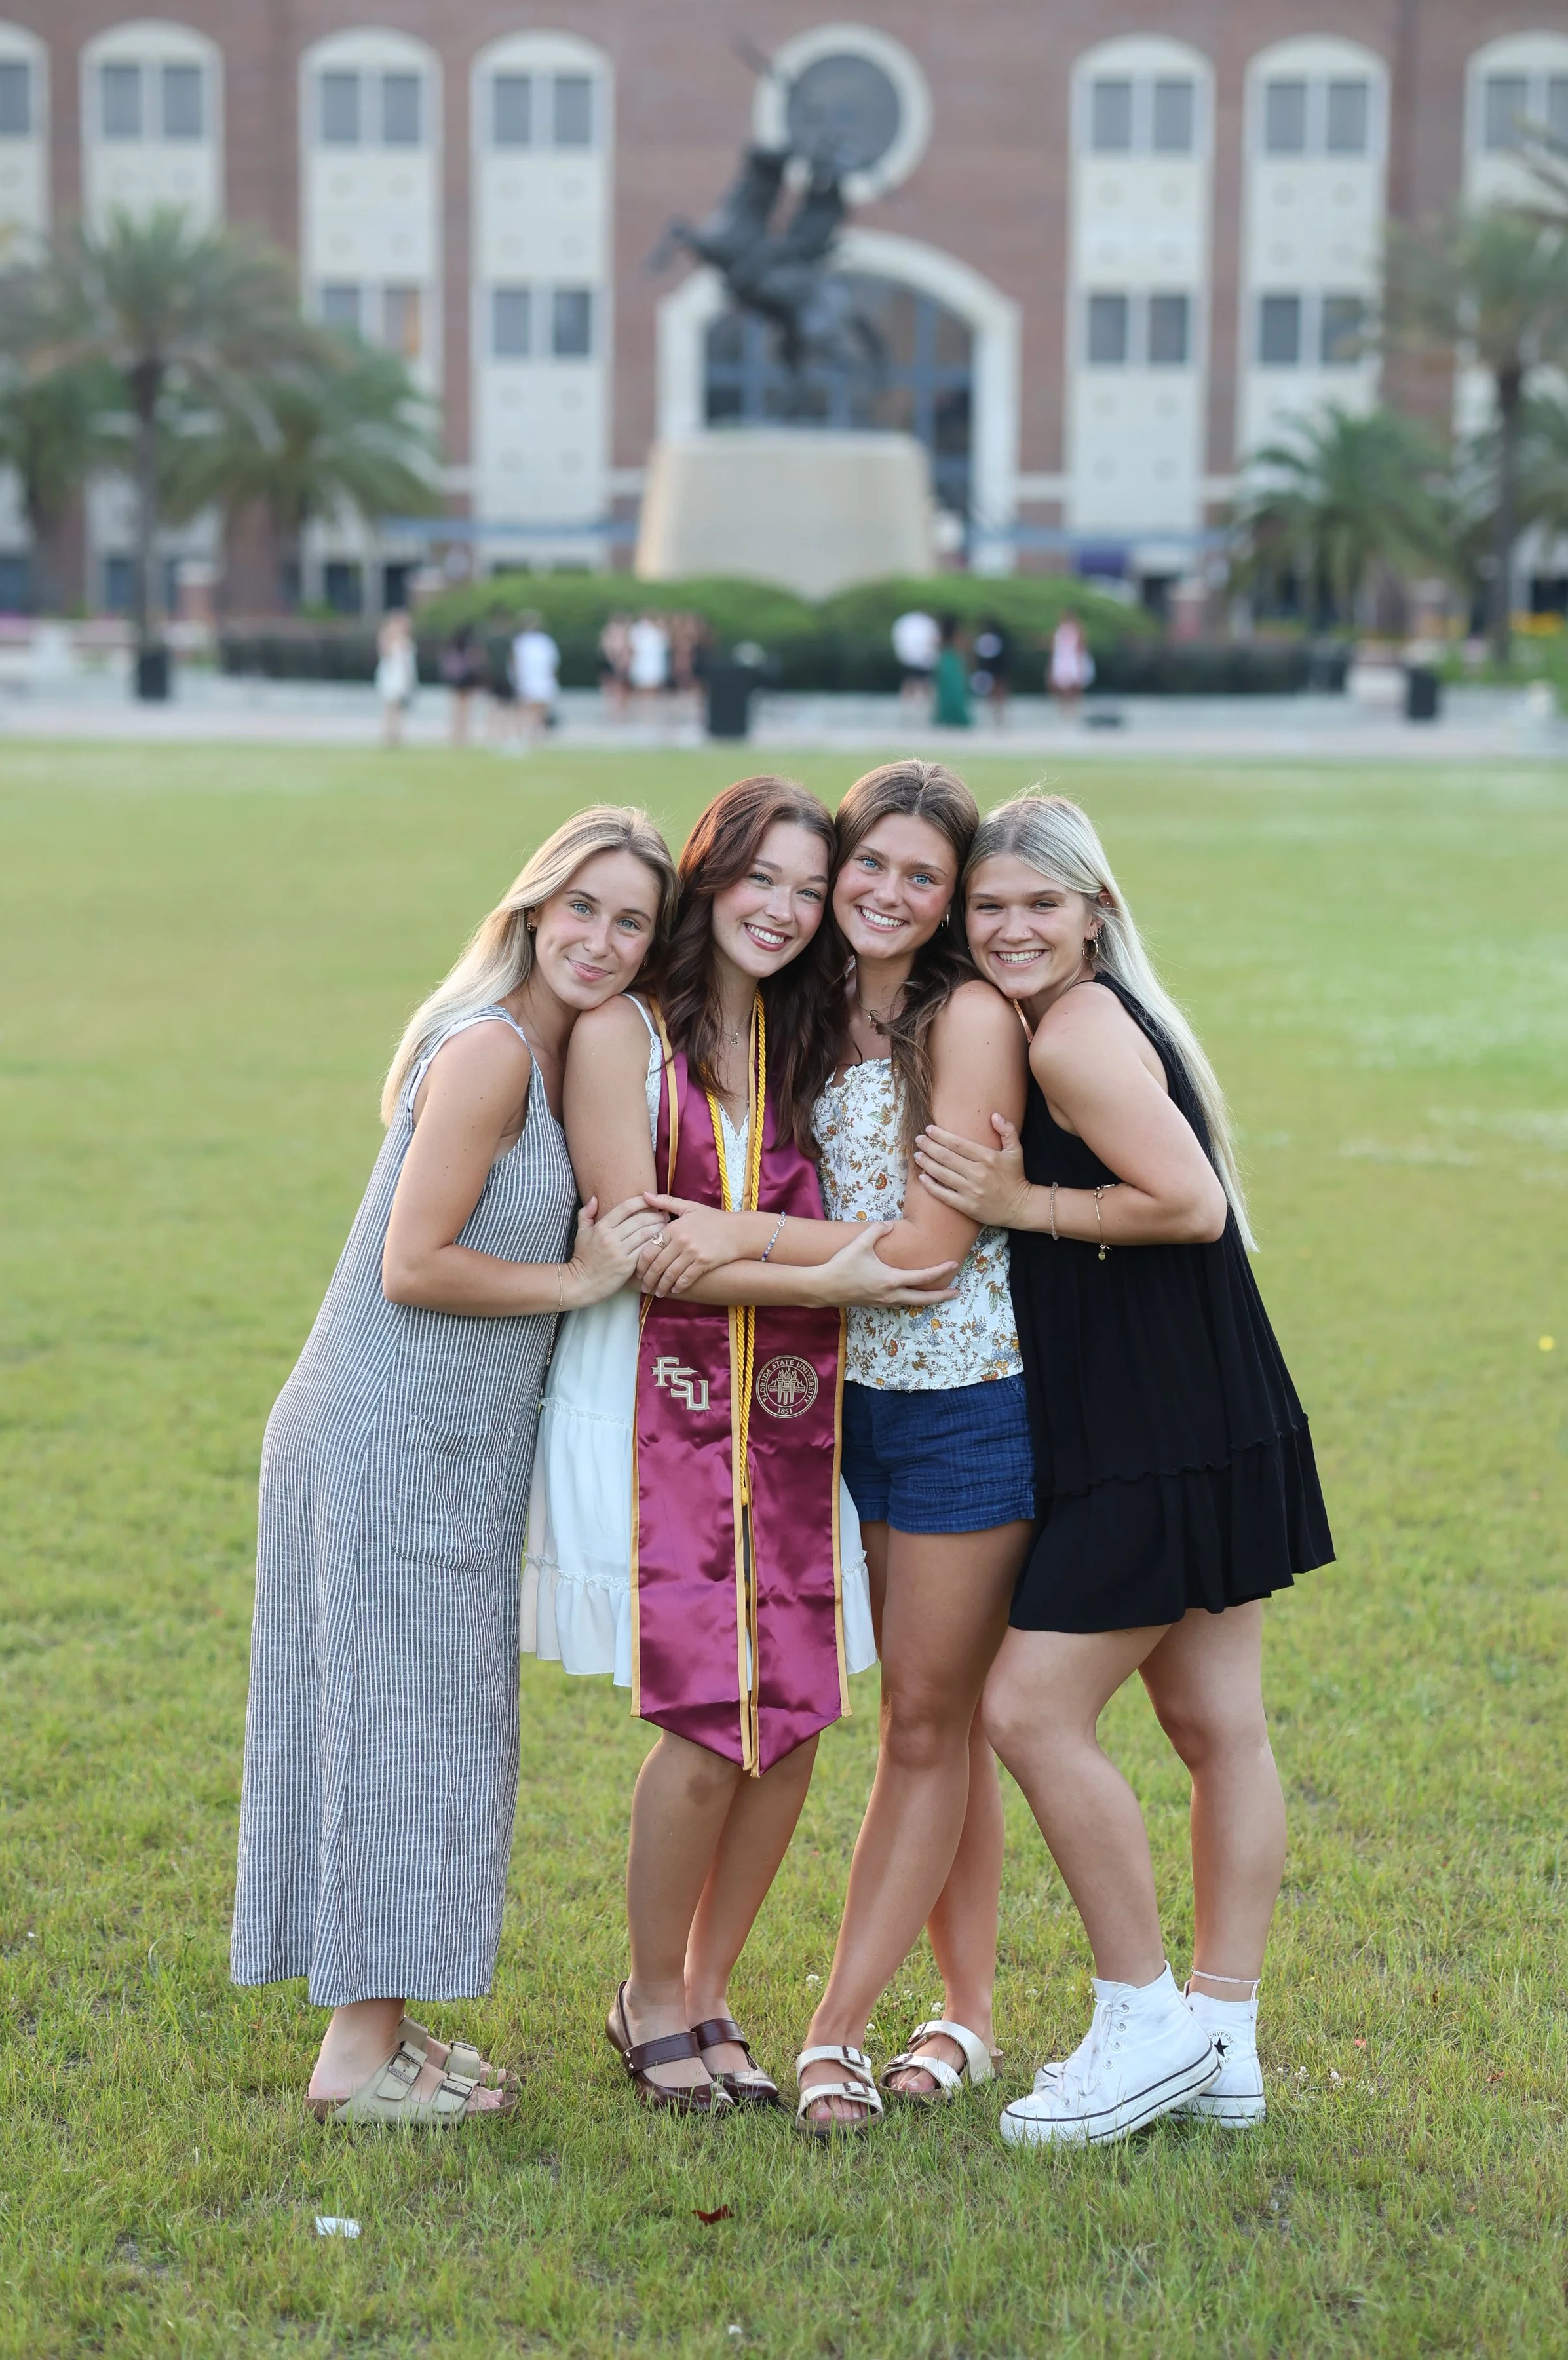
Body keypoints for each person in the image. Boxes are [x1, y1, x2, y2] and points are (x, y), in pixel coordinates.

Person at [231, 807, 677, 2125]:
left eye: (632, 922)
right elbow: (411, 1264)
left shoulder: (542, 1056)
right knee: (397, 1730)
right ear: (533, 907)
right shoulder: (488, 1053)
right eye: (582, 908)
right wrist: (579, 1279)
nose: (600, 940)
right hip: (380, 1442)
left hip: (438, 1451)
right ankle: (354, 2064)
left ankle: (383, 2028)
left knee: (416, 1729)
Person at [524, 777, 957, 2113]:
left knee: (800, 1713)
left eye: (805, 888)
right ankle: (647, 1994)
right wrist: (838, 1272)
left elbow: (904, 1240)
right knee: (712, 1718)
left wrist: (792, 1254)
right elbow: (642, 1243)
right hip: (659, 1402)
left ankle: (709, 1990)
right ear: (709, 883)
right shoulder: (621, 1035)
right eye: (756, 879)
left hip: (788, 1407)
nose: (782, 909)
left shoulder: (799, 1031)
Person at [913, 793, 1335, 2148]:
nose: (1014, 927)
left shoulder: (1080, 1029)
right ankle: (1224, 2042)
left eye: (1042, 903)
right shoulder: (1093, 1016)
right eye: (990, 908)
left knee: (1028, 1711)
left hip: (1157, 1430)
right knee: (1219, 1732)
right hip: (1208, 1403)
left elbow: (1188, 1204)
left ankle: (1142, 2018)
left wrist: (1022, 1203)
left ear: (1093, 910)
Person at [638, 762, 1033, 2135]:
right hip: (824, 1406)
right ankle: (967, 2010)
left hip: (959, 1405)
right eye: (865, 865)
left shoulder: (965, 1017)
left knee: (927, 1721)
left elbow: (929, 1256)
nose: (878, 893)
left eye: (919, 877)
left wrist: (737, 1240)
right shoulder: (804, 1013)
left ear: (948, 899)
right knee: (937, 1725)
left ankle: (833, 2035)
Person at [510, 610, 560, 746]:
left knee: (534, 711)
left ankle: (532, 738)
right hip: (531, 680)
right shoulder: (536, 641)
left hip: (534, 680)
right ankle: (526, 738)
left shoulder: (536, 641)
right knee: (531, 710)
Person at [375, 611, 417, 749]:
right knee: (390, 707)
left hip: (402, 678)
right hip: (391, 677)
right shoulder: (389, 639)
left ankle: (397, 735)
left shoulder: (406, 641)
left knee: (399, 708)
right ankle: (388, 735)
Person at [440, 622, 482, 748]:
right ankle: (464, 733)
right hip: (467, 678)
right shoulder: (470, 645)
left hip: (456, 679)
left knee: (456, 707)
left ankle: (455, 733)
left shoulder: (452, 645)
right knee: (466, 708)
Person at [891, 607, 939, 717]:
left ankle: (911, 706)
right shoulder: (927, 623)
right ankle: (919, 706)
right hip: (922, 658)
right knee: (922, 683)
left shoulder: (908, 621)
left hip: (910, 657)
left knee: (911, 682)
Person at [1048, 611, 1094, 711]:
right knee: (1061, 686)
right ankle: (1065, 708)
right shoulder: (1059, 631)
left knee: (1075, 685)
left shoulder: (1077, 630)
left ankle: (1074, 707)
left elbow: (1081, 648)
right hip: (1062, 660)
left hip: (1072, 660)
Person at [934, 614, 972, 730]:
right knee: (957, 692)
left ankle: (946, 718)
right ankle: (957, 718)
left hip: (945, 662)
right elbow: (964, 650)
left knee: (945, 693)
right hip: (955, 663)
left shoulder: (941, 636)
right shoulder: (959, 635)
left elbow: (937, 648)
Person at [971, 617, 1011, 724]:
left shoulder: (986, 639)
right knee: (998, 694)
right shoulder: (998, 639)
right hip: (997, 670)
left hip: (991, 670)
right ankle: (998, 716)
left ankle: (996, 715)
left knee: (993, 694)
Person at [628, 609, 671, 701]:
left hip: (653, 662)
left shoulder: (658, 630)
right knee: (640, 684)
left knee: (653, 683)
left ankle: (650, 701)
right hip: (642, 661)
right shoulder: (637, 630)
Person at [598, 612, 632, 717]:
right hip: (613, 662)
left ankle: (619, 711)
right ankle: (614, 711)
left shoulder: (620, 633)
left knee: (620, 687)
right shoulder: (610, 633)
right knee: (611, 687)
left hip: (619, 662)